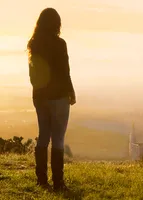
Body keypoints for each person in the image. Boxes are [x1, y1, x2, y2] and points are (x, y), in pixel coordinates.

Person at [27, 8, 76, 192]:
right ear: (57, 24)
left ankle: (41, 180)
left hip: (39, 97)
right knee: (58, 139)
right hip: (59, 96)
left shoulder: (33, 44)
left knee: (43, 136)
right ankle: (58, 182)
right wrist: (71, 91)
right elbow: (65, 71)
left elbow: (33, 74)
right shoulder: (60, 44)